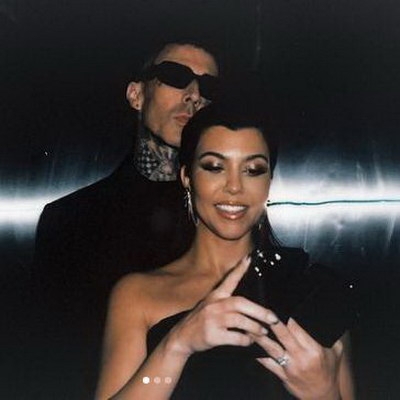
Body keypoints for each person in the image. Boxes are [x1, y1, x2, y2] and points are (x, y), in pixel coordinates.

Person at [96, 103, 355, 399]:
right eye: (214, 167)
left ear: (269, 182)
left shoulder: (311, 290)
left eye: (253, 170)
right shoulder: (139, 294)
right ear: (187, 176)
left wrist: (324, 393)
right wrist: (177, 345)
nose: (234, 187)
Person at [30, 41, 220, 398]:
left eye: (208, 87)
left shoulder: (228, 221)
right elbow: (48, 363)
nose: (194, 94)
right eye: (174, 76)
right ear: (136, 95)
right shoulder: (70, 221)